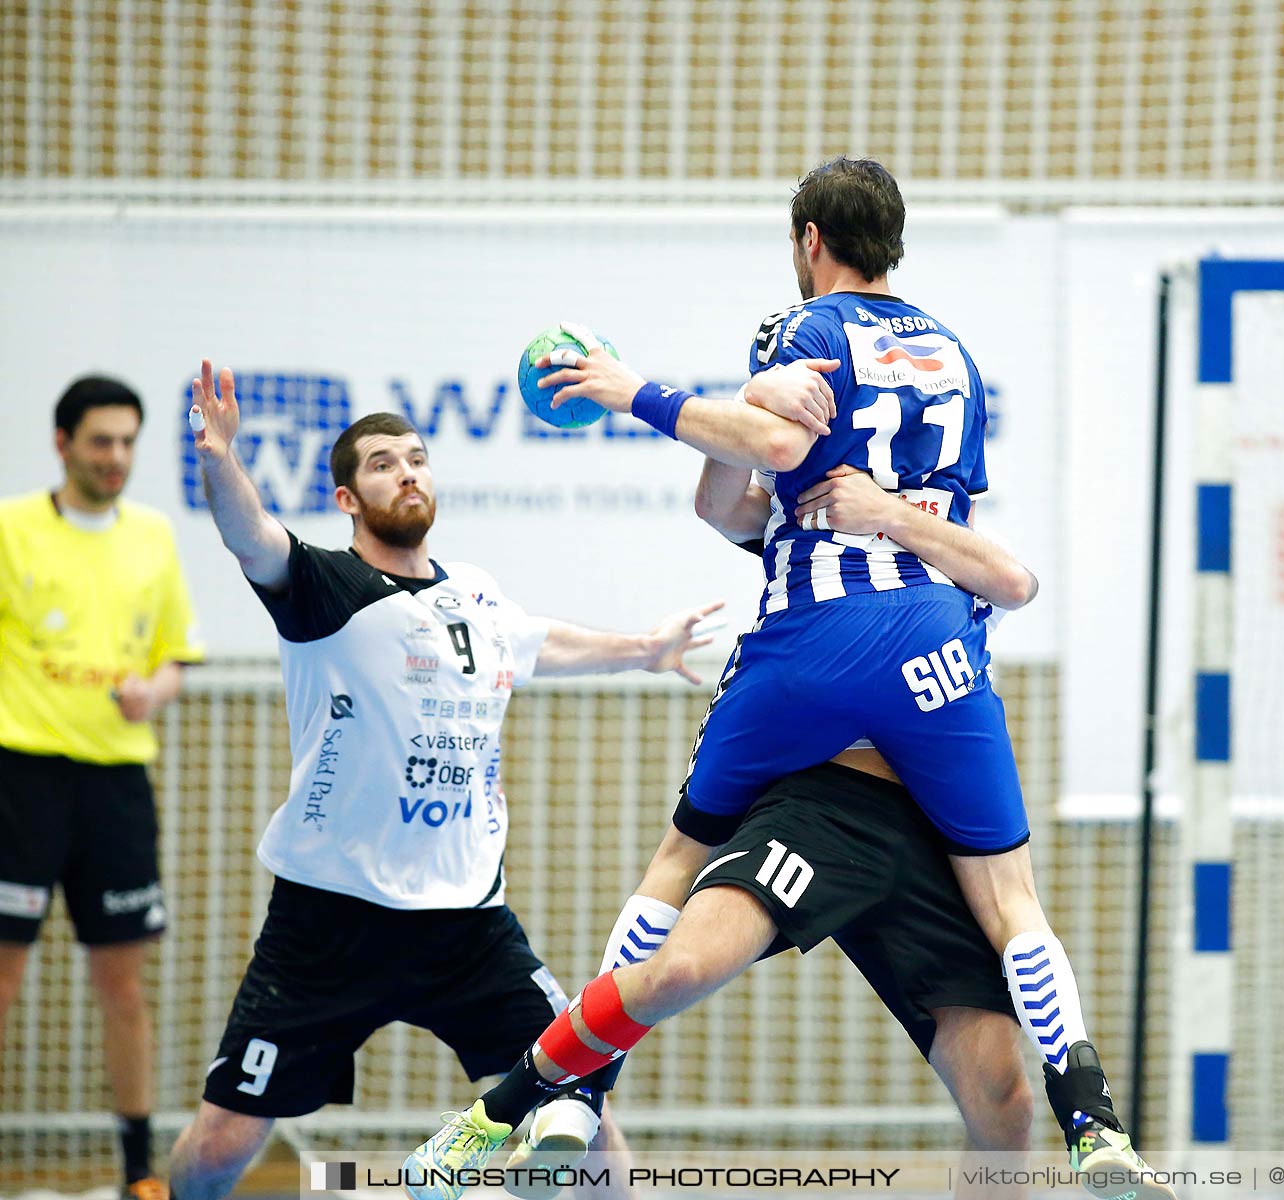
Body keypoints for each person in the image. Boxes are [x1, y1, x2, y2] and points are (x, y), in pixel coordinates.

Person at [409, 156, 1169, 1200]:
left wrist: (639, 390)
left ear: (810, 240)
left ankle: (564, 1095)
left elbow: (769, 449)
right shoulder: (953, 355)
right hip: (929, 668)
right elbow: (752, 506)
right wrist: (778, 436)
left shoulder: (801, 328)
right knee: (1015, 901)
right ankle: (1101, 1125)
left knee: (681, 862)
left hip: (815, 651)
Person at [165, 359, 743, 1200]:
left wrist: (647, 651)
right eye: (382, 464)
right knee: (221, 1142)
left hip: (469, 925)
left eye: (416, 457)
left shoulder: (474, 594)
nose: (407, 472)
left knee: (581, 1115)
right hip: (329, 925)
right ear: (347, 500)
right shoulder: (325, 588)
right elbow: (250, 534)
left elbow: (542, 642)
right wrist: (221, 462)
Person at [0, 376, 204, 1200]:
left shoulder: (153, 536)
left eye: (127, 442)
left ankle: (138, 1171)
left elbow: (175, 655)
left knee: (122, 982)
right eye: (100, 442)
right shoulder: (13, 529)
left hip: (117, 783)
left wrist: (153, 691)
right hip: (22, 778)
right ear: (63, 444)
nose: (116, 458)